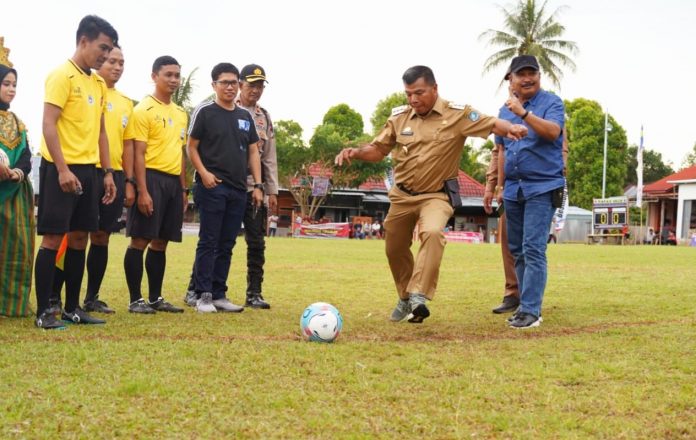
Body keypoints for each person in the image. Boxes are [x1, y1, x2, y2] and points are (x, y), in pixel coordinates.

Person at [335, 65, 527, 323]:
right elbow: (378, 150)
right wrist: (356, 152)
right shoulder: (399, 118)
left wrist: (511, 128)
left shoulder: (457, 114)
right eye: (408, 94)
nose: (413, 99)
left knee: (434, 232)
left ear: (435, 88)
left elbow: (492, 123)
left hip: (436, 195)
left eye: (419, 92)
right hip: (402, 196)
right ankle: (405, 298)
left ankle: (419, 295)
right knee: (394, 247)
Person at [34, 15, 119, 329]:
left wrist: (107, 173)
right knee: (53, 239)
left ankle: (72, 308)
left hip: (89, 171)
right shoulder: (61, 76)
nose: (106, 56)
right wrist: (62, 169)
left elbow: (101, 133)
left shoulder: (98, 82)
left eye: (109, 50)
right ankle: (44, 312)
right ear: (83, 41)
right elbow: (48, 125)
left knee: (81, 237)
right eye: (102, 48)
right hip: (60, 170)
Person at [49, 45, 134, 315]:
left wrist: (126, 179)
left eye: (122, 62)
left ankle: (91, 297)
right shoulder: (82, 85)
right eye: (112, 60)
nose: (117, 66)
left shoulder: (125, 102)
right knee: (70, 236)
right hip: (83, 168)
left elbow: (126, 143)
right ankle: (54, 297)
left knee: (101, 236)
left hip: (112, 173)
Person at [186, 62, 262, 313]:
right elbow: (191, 146)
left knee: (228, 242)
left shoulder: (244, 116)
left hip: (238, 189)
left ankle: (219, 293)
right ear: (214, 85)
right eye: (224, 82)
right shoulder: (205, 111)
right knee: (209, 240)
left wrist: (258, 185)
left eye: (233, 82)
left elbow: (253, 151)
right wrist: (204, 173)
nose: (230, 87)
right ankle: (202, 294)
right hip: (212, 186)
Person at [498, 55, 565, 329]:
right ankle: (524, 305)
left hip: (542, 185)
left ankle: (531, 310)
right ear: (510, 79)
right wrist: (499, 187)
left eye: (532, 73)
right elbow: (502, 149)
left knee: (533, 248)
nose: (527, 78)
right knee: (517, 250)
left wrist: (524, 114)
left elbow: (552, 132)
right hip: (514, 189)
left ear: (539, 75)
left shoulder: (552, 103)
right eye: (521, 74)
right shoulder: (503, 111)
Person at [123, 55, 188, 314]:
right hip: (150, 178)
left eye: (176, 75)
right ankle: (135, 299)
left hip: (173, 183)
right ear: (154, 76)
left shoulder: (181, 113)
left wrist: (183, 189)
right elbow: (138, 153)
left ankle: (155, 297)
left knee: (162, 241)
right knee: (140, 240)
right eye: (168, 75)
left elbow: (181, 153)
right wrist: (142, 190)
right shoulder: (143, 110)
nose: (173, 80)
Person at [236, 64, 278, 309]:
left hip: (256, 189)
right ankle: (200, 288)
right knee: (220, 241)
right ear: (240, 84)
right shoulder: (228, 108)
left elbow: (269, 156)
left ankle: (254, 293)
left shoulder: (264, 116)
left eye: (260, 85)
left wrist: (272, 190)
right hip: (229, 186)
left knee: (256, 243)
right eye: (251, 84)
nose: (256, 90)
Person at [0, 60, 34, 318]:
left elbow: (26, 155)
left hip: (15, 193)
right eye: (6, 84)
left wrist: (16, 173)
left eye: (14, 85)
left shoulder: (18, 123)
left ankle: (12, 305)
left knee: (16, 248)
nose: (11, 89)